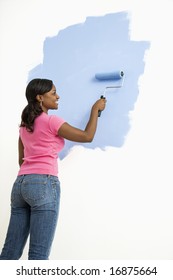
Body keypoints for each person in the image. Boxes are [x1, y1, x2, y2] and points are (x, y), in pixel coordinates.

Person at [0, 78, 106, 260]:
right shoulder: (51, 121)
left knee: (9, 253)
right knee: (38, 255)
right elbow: (87, 136)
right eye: (53, 93)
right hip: (43, 183)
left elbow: (21, 159)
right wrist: (95, 109)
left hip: (20, 185)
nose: (58, 96)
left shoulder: (25, 126)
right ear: (40, 97)